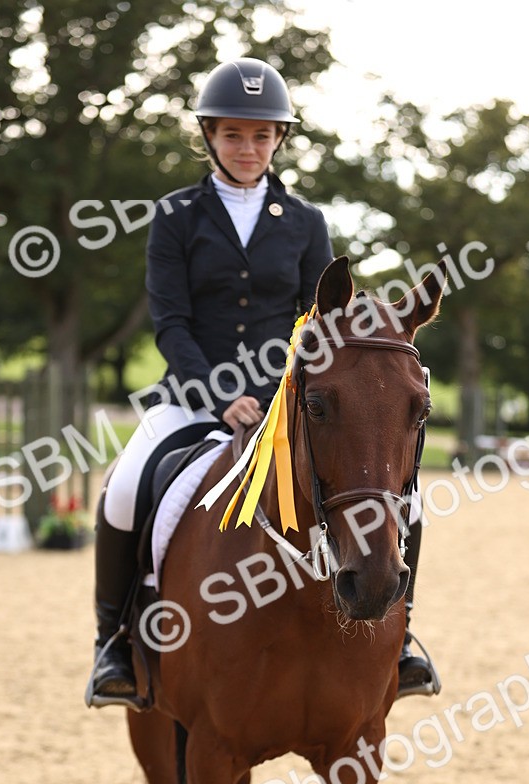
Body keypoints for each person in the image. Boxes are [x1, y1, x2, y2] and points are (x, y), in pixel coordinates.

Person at [86, 57, 438, 709]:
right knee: (125, 487)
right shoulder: (176, 216)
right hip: (193, 399)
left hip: (287, 402)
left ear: (278, 140)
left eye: (260, 136)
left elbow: (320, 323)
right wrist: (218, 394)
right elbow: (171, 320)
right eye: (233, 135)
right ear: (209, 137)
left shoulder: (305, 221)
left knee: (401, 498)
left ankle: (403, 636)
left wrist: (286, 393)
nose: (247, 149)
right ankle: (114, 644)